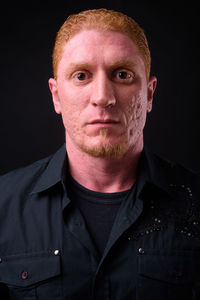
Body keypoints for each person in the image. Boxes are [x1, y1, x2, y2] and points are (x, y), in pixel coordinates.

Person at [0, 8, 199, 300]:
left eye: (122, 74)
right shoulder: (3, 207)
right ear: (56, 95)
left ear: (149, 94)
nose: (103, 97)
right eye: (81, 76)